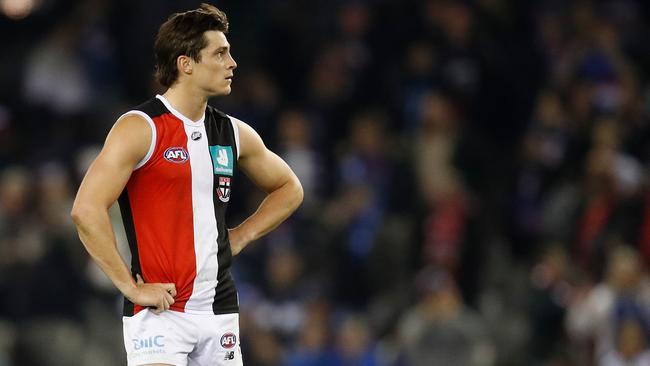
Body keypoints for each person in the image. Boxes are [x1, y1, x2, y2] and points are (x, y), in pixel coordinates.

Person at [70, 4, 303, 366]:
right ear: (186, 64)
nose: (233, 63)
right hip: (160, 311)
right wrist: (129, 287)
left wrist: (241, 235)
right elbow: (86, 210)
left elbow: (290, 188)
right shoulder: (140, 128)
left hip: (219, 309)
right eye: (220, 53)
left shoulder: (233, 133)